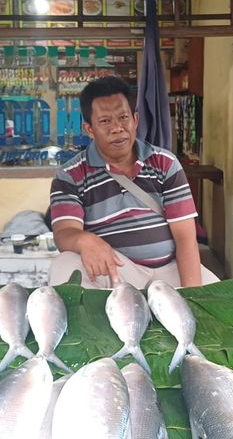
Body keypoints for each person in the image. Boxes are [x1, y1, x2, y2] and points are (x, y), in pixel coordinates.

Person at [48, 76, 219, 289]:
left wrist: (192, 294)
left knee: (218, 301)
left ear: (135, 120)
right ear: (89, 130)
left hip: (169, 268)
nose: (117, 128)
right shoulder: (70, 175)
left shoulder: (165, 163)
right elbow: (64, 233)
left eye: (123, 118)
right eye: (105, 121)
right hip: (116, 269)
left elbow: (185, 237)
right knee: (64, 265)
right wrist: (84, 240)